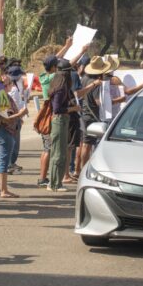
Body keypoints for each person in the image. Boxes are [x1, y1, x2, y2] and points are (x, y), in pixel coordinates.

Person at [0, 75, 27, 198]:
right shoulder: (3, 98)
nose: (11, 86)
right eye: (9, 83)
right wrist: (20, 114)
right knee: (3, 160)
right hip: (4, 131)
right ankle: (3, 190)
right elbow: (6, 119)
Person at [47, 62, 81, 192]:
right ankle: (55, 184)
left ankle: (55, 182)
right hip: (59, 121)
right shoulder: (61, 88)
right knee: (58, 154)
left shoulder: (58, 84)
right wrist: (73, 108)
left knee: (59, 153)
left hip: (61, 121)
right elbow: (57, 109)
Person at [5, 66, 26, 174]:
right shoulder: (13, 90)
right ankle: (9, 164)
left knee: (14, 143)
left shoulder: (15, 88)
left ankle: (11, 163)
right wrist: (19, 115)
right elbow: (14, 105)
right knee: (13, 143)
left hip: (16, 117)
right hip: (14, 118)